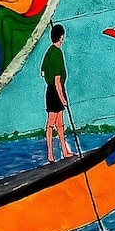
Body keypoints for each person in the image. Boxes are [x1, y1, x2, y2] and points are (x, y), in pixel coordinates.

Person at [42, 24, 73, 162]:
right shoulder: (56, 53)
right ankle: (50, 153)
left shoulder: (49, 51)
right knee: (51, 123)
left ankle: (64, 150)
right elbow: (57, 80)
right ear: (61, 37)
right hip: (56, 91)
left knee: (60, 124)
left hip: (51, 91)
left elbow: (43, 72)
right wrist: (62, 98)